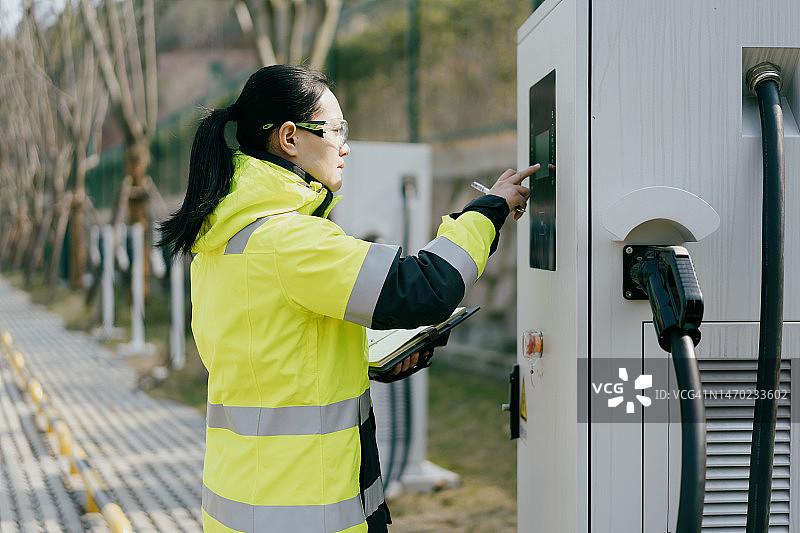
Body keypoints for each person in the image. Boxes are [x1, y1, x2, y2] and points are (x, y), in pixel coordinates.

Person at [159, 64, 536, 533]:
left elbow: (277, 363)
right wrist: (487, 212)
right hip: (303, 514)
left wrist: (369, 362)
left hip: (246, 503)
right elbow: (424, 289)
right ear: (290, 138)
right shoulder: (288, 241)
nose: (345, 145)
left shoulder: (224, 239)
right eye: (336, 129)